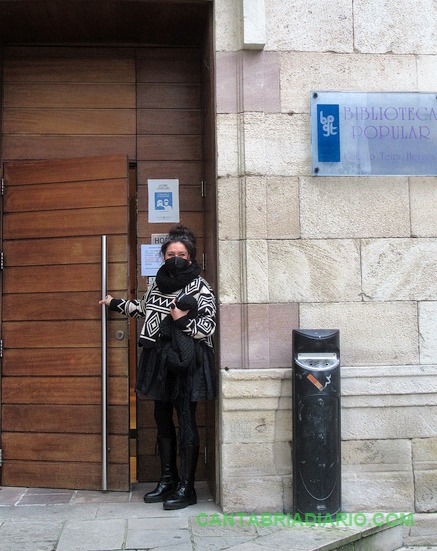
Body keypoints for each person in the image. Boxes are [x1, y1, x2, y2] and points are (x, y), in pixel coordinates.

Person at [99, 224, 216, 510]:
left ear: (191, 257)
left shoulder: (200, 286)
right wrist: (116, 304)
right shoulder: (156, 284)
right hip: (160, 359)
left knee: (186, 418)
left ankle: (187, 489)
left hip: (187, 362)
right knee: (161, 418)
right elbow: (144, 309)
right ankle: (168, 480)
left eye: (182, 253)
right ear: (163, 256)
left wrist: (181, 320)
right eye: (171, 253)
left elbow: (209, 325)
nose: (176, 257)